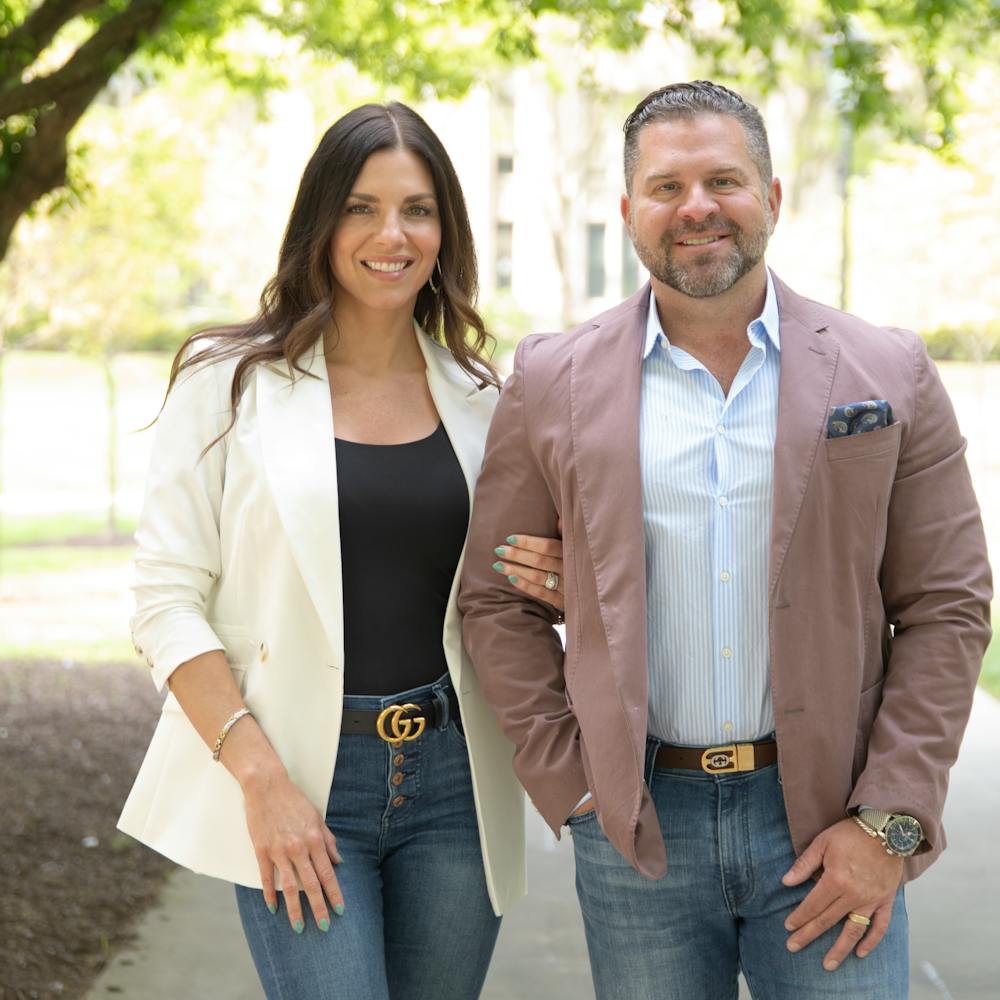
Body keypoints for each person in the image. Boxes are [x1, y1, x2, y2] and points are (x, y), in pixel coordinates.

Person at [459, 80, 992, 999]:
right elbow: (495, 600)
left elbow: (947, 606)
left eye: (725, 181)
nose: (697, 207)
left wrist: (890, 822)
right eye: (666, 187)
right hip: (638, 835)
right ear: (628, 213)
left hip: (831, 827)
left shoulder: (887, 370)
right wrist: (575, 791)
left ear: (773, 199)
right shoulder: (551, 379)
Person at [118, 102, 565, 1000]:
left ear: (446, 231)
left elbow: (511, 592)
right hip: (298, 773)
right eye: (361, 207)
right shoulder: (227, 385)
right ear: (321, 221)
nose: (390, 234)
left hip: (455, 781)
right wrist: (259, 780)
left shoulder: (489, 400)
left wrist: (556, 584)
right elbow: (165, 599)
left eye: (417, 209)